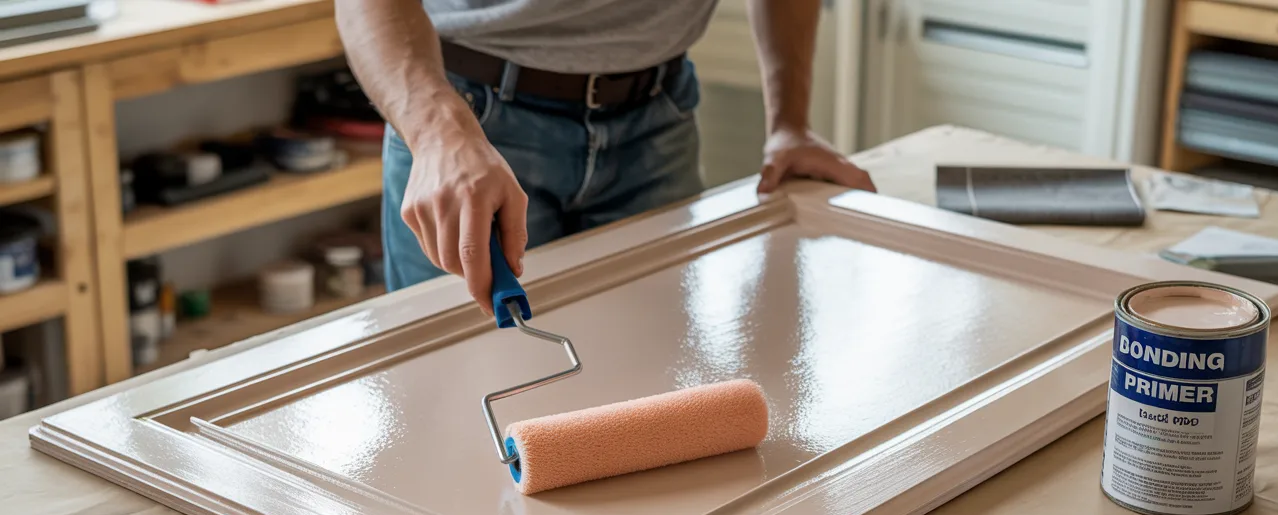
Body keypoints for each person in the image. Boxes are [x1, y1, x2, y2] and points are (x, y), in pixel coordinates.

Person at [337, 0, 877, 312]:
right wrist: (437, 132)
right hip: (468, 126)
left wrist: (791, 124)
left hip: (657, 116)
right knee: (460, 405)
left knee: (656, 402)